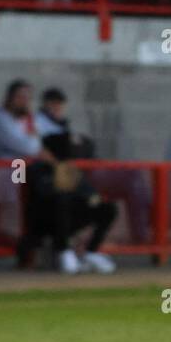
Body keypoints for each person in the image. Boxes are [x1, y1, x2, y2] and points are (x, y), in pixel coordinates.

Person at [37, 87, 150, 245]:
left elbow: (76, 148)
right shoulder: (38, 123)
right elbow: (40, 151)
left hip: (79, 174)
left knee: (132, 178)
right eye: (54, 104)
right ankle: (145, 225)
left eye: (60, 104)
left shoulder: (61, 124)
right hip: (71, 177)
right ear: (46, 104)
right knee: (116, 194)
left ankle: (146, 222)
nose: (58, 108)